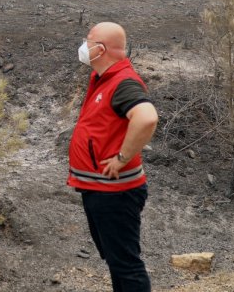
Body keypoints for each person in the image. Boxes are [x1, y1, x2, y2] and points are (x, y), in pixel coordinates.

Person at [68, 22, 159, 292]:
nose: (84, 46)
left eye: (89, 41)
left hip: (115, 193)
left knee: (126, 265)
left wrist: (122, 157)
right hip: (101, 190)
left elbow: (147, 118)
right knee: (118, 262)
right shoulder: (104, 77)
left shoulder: (122, 82)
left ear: (101, 49)